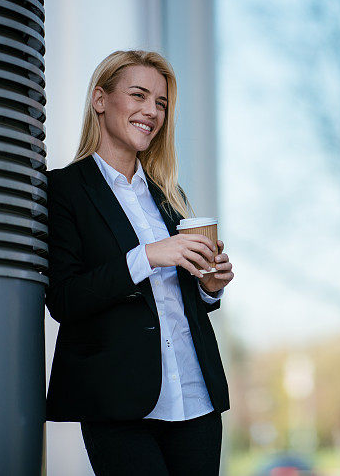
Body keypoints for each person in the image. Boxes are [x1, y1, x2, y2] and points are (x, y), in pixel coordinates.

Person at [44, 50, 233, 475]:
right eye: (139, 95)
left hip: (195, 395)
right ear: (100, 99)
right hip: (118, 402)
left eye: (161, 103)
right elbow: (64, 299)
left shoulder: (170, 195)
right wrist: (146, 256)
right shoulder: (63, 190)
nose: (152, 111)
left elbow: (183, 298)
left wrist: (209, 288)